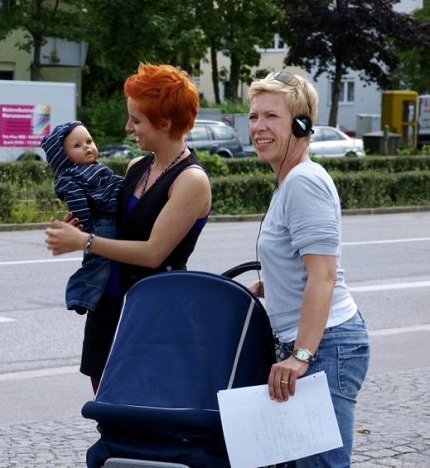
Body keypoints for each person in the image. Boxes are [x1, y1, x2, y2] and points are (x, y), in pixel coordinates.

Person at [45, 62, 212, 392]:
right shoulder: (139, 166)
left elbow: (153, 253)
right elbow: (118, 225)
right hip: (111, 306)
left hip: (155, 314)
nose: (128, 127)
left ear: (164, 123)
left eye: (136, 120)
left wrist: (85, 241)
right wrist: (85, 222)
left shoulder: (191, 180)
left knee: (141, 418)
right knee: (107, 411)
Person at [247, 70, 370, 467]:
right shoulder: (288, 183)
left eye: (272, 117)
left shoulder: (304, 182)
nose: (259, 127)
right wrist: (271, 284)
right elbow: (303, 264)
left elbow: (324, 275)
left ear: (301, 125)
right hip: (309, 343)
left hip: (325, 346)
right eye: (253, 117)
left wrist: (300, 355)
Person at [41, 121, 124, 314]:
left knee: (100, 259)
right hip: (101, 221)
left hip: (111, 218)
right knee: (99, 260)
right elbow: (78, 203)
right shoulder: (69, 177)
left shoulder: (94, 167)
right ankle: (79, 295)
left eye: (89, 141)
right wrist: (87, 228)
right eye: (77, 146)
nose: (87, 147)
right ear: (63, 157)